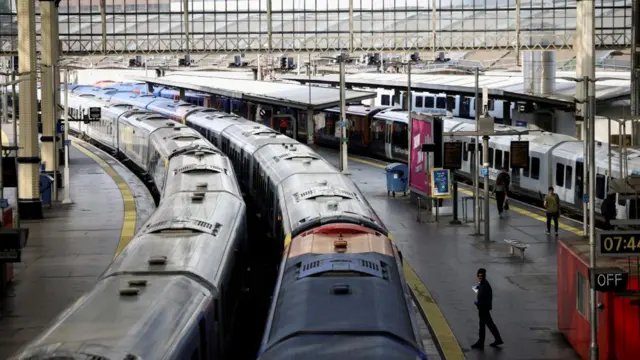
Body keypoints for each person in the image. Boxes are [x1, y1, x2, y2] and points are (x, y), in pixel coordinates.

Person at [471, 268, 503, 349]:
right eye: (479, 275)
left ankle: (481, 342)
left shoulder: (484, 285)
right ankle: (498, 339)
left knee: (483, 325)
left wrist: (477, 303)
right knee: (489, 324)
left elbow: (484, 297)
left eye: (481, 275)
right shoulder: (483, 283)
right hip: (484, 308)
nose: (480, 276)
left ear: (484, 276)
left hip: (483, 309)